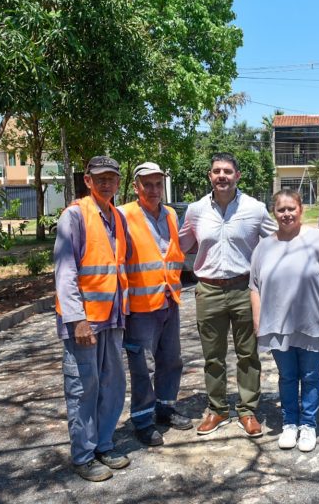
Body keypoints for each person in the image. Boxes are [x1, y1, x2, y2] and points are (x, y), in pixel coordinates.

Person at [178, 152, 276, 438]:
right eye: (217, 171)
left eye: (227, 171)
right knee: (213, 356)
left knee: (248, 354)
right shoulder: (195, 210)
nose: (222, 176)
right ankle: (218, 409)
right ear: (210, 176)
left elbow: (276, 241)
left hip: (245, 289)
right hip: (208, 290)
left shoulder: (255, 208)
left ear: (237, 176)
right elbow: (179, 245)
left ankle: (247, 410)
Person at [54, 155, 132, 482]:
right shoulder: (74, 216)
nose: (106, 183)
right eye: (99, 177)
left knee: (111, 386)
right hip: (84, 324)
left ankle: (103, 444)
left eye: (111, 177)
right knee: (83, 389)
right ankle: (83, 456)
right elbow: (65, 272)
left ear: (118, 181)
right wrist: (77, 320)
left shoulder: (117, 216)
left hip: (112, 319)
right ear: (87, 180)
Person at [250, 190, 319, 452]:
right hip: (277, 324)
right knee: (287, 376)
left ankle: (308, 424)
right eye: (281, 209)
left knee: (311, 375)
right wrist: (258, 321)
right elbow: (254, 287)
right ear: (274, 212)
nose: (286, 214)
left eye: (291, 208)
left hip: (312, 322)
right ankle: (290, 422)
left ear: (301, 209)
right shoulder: (263, 247)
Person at [119, 162, 193, 447]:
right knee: (143, 366)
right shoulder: (124, 215)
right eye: (147, 185)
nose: (153, 190)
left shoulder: (171, 214)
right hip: (140, 307)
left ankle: (165, 407)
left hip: (168, 299)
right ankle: (142, 419)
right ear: (136, 187)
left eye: (157, 184)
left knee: (171, 360)